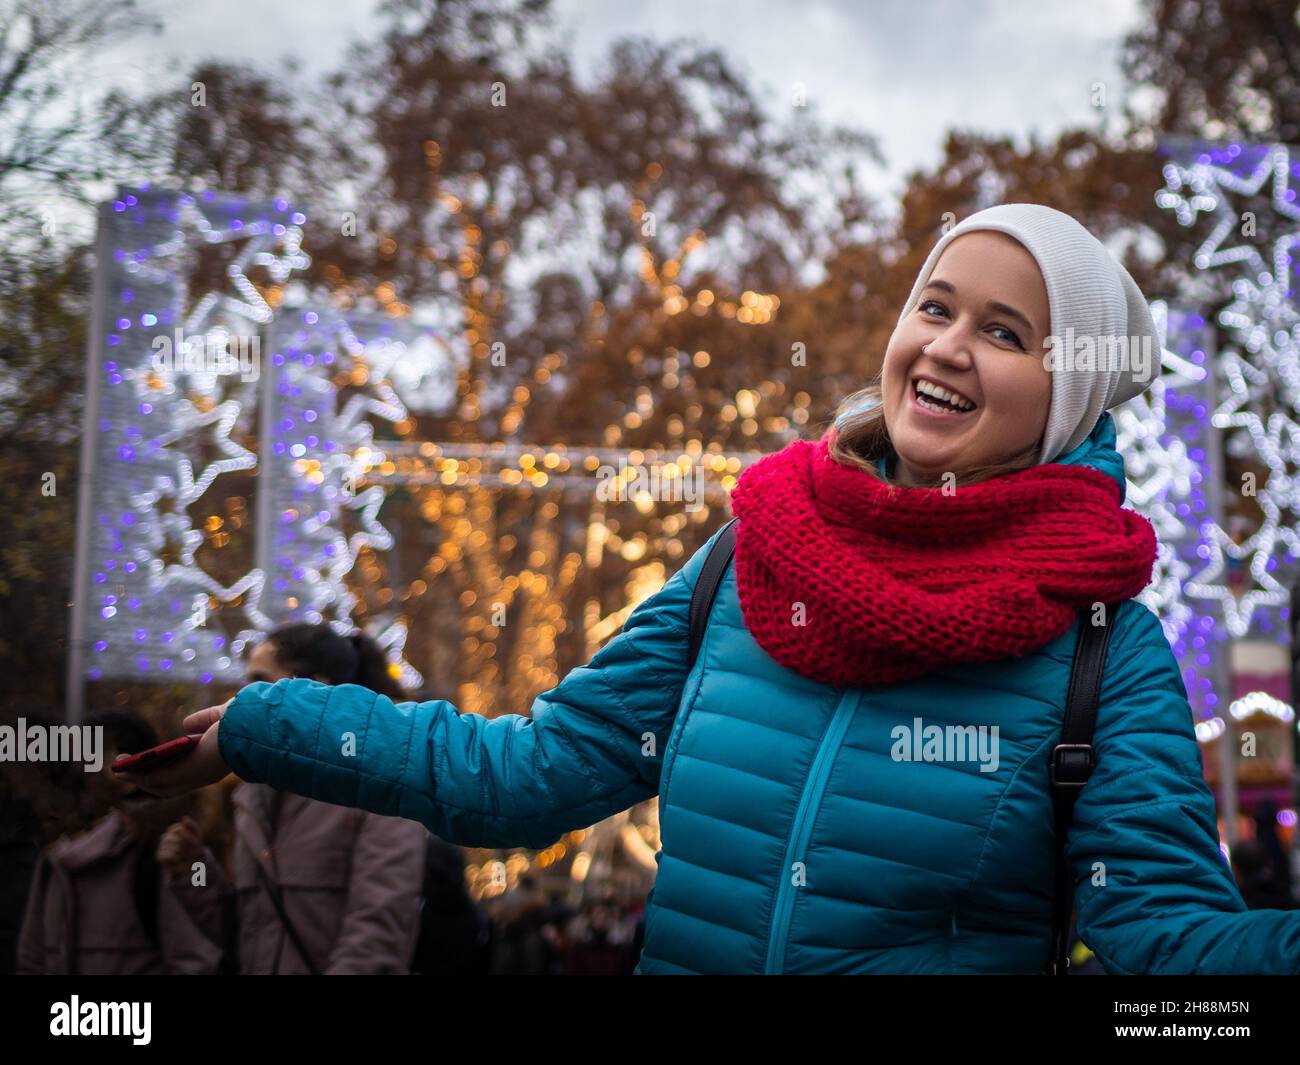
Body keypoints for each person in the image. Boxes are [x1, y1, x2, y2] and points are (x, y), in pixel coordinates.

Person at [117, 203, 1300, 974]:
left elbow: (1164, 946)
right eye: (933, 307)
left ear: (1069, 395)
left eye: (1005, 332)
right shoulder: (745, 560)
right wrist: (275, 726)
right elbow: (527, 780)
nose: (944, 345)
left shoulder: (1105, 646)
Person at [157, 624, 428, 974]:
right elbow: (246, 933)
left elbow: (377, 937)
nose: (243, 698)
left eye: (259, 682)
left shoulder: (378, 791)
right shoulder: (249, 797)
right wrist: (193, 871)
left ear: (314, 690)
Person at [17, 712, 219, 975]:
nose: (77, 771)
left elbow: (195, 958)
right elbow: (31, 960)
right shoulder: (54, 857)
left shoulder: (168, 849)